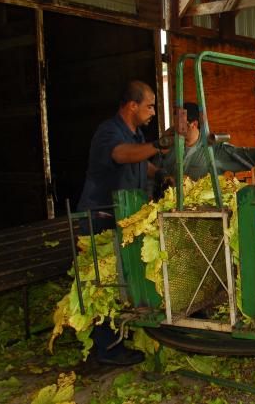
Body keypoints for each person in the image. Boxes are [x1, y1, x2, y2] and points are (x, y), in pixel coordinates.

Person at [77, 80, 171, 366]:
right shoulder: (108, 131)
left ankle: (117, 337)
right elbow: (121, 155)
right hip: (100, 218)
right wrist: (156, 145)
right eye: (150, 105)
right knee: (104, 283)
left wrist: (163, 174)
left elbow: (140, 162)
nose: (153, 111)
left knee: (122, 278)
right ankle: (106, 349)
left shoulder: (136, 132)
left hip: (122, 218)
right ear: (132, 105)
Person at [155, 102, 255, 190]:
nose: (175, 128)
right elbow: (158, 171)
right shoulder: (171, 146)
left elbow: (249, 157)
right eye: (175, 122)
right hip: (171, 210)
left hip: (204, 212)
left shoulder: (214, 150)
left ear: (193, 124)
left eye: (180, 124)